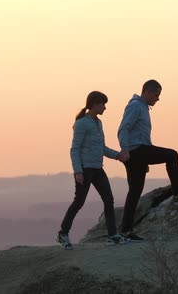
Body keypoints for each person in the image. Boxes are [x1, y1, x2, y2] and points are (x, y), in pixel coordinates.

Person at [118, 80, 178, 242]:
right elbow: (123, 128)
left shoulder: (142, 107)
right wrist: (125, 149)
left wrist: (144, 160)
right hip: (135, 151)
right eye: (156, 95)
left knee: (134, 192)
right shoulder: (135, 106)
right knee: (172, 155)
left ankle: (125, 231)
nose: (157, 99)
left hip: (138, 152)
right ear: (147, 92)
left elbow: (141, 135)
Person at [57, 91, 130, 250]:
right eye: (103, 104)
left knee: (108, 199)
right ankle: (63, 233)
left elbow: (101, 148)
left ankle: (112, 235)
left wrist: (117, 155)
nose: (105, 107)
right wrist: (78, 172)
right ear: (94, 104)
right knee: (79, 202)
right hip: (85, 168)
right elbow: (74, 149)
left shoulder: (98, 123)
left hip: (97, 168)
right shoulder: (82, 123)